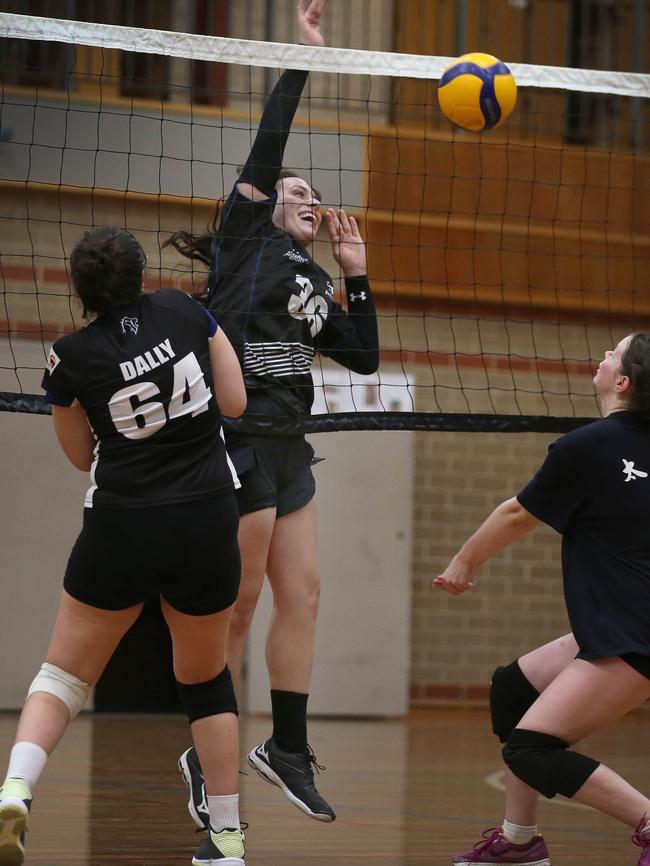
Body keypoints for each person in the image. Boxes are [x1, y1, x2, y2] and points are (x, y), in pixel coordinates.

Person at [166, 0, 379, 828]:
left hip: (292, 447)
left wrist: (354, 270)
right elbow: (272, 139)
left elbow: (361, 352)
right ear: (263, 202)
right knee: (242, 602)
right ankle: (206, 744)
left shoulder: (314, 279)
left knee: (307, 595)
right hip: (240, 440)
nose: (304, 194)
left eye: (312, 194)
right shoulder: (246, 237)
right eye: (293, 189)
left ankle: (285, 748)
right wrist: (304, 56)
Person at [0, 226, 248, 866]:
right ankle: (226, 838)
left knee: (63, 673)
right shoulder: (186, 310)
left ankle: (16, 790)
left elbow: (81, 454)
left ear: (81, 290)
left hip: (122, 523)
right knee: (206, 679)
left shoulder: (69, 356)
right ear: (141, 275)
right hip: (206, 516)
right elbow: (236, 401)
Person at [434, 333, 650, 866]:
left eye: (612, 352)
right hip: (619, 625)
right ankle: (518, 842)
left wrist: (464, 562)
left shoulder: (587, 447)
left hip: (631, 635)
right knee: (512, 691)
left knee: (530, 749)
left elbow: (516, 514)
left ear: (622, 381)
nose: (601, 356)